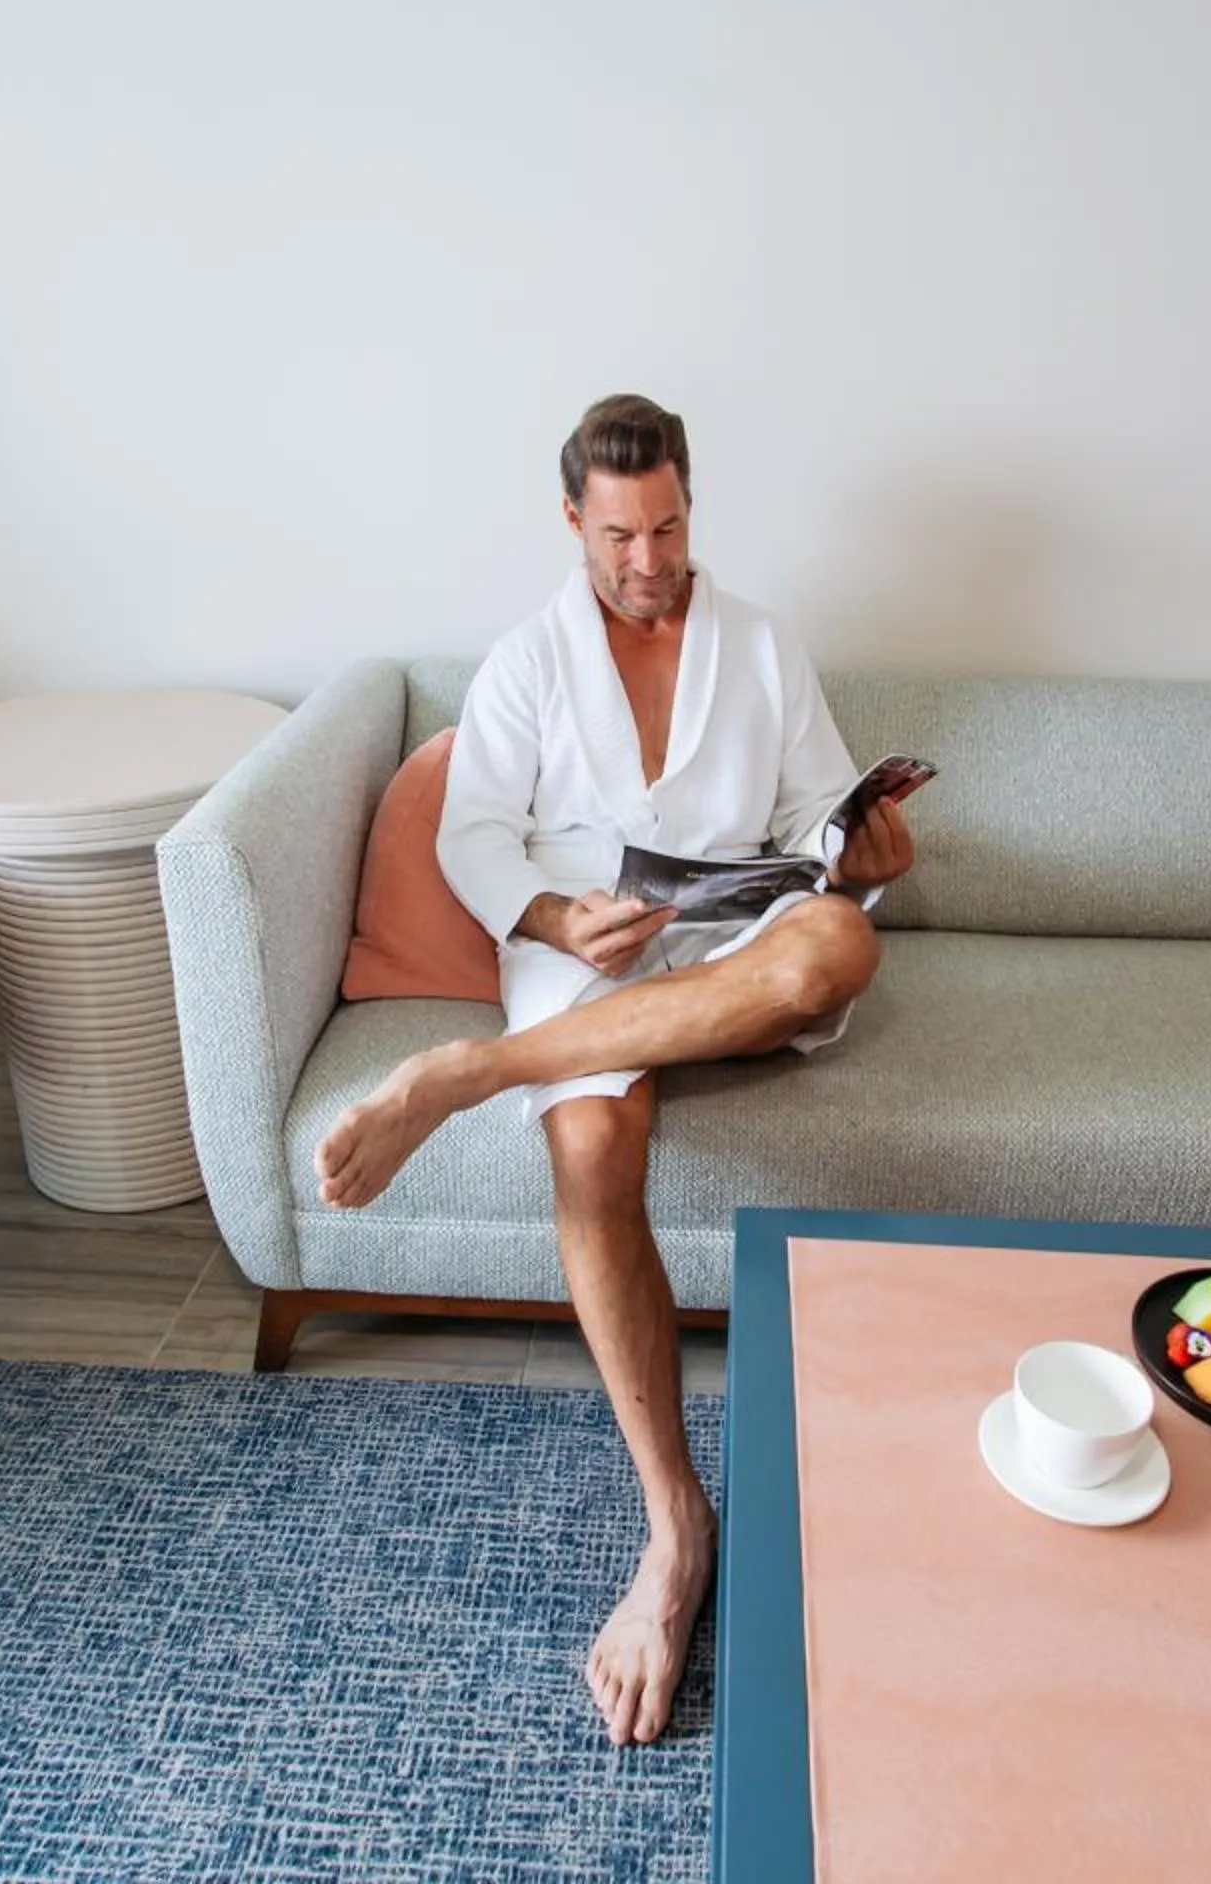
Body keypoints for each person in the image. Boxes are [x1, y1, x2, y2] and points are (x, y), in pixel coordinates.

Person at [313, 393, 914, 1748]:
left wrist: (860, 856)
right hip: (586, 948)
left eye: (671, 528)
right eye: (621, 535)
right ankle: (674, 1525)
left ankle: (477, 1071)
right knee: (591, 1147)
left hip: (734, 939)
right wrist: (551, 916)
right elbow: (476, 836)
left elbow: (816, 822)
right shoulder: (526, 661)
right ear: (573, 522)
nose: (650, 561)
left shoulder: (763, 646)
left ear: (692, 505)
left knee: (838, 948)